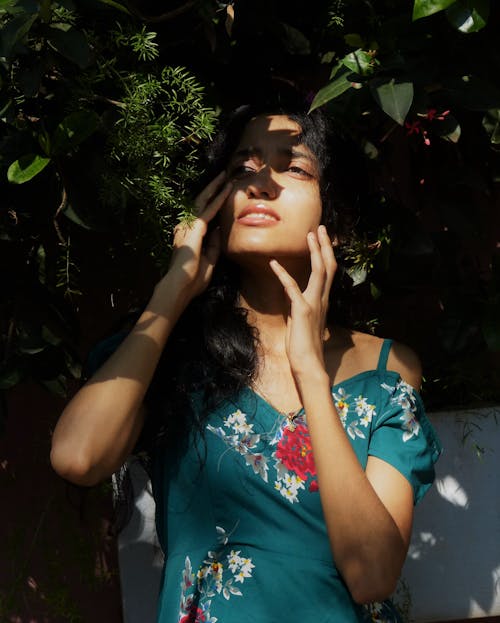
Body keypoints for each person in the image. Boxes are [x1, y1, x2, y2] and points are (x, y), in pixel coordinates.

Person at [50, 101, 442, 623]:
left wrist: (308, 369)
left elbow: (371, 574)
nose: (260, 182)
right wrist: (173, 290)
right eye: (243, 168)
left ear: (338, 220)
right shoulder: (175, 352)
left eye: (295, 167)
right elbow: (78, 456)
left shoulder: (387, 370)